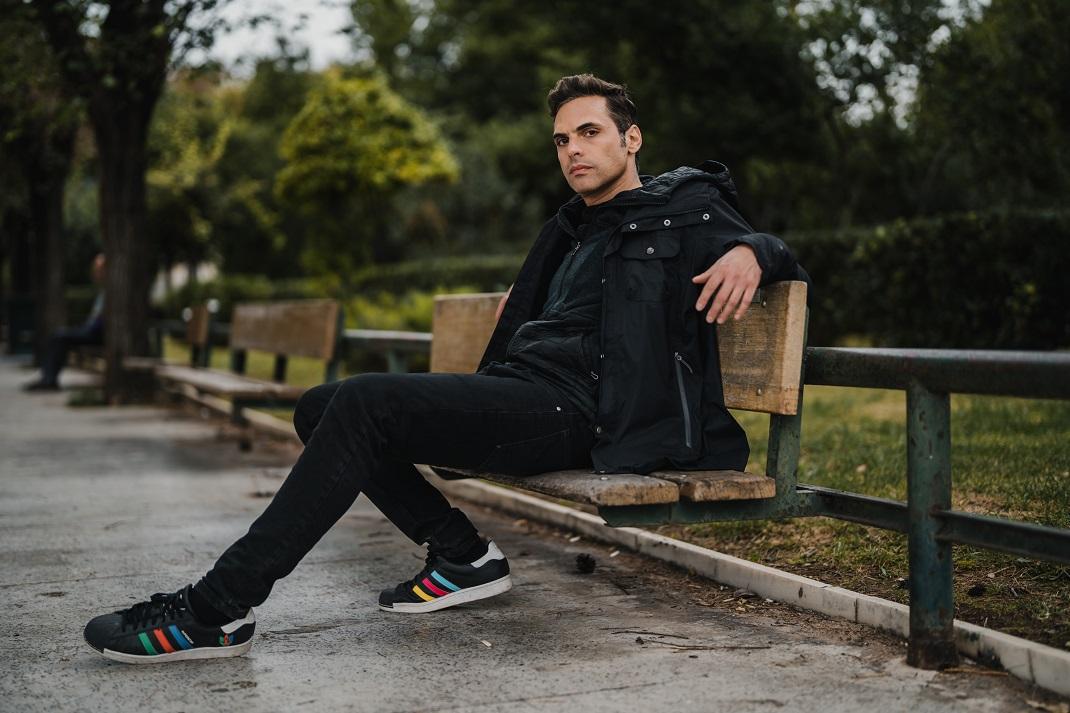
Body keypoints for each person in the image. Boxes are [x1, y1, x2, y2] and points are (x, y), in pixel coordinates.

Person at [82, 74, 809, 663]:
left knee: (364, 403)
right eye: (562, 139)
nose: (573, 151)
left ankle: (216, 608)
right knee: (321, 404)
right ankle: (464, 557)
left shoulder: (682, 209)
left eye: (589, 132)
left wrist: (754, 253)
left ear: (631, 137)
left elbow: (784, 256)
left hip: (587, 412)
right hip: (524, 392)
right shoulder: (569, 229)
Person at [24, 253, 106, 392]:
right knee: (58, 336)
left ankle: (49, 380)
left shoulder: (111, 292)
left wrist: (87, 327)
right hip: (92, 330)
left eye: (99, 270)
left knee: (59, 337)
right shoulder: (103, 291)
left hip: (96, 332)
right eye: (95, 269)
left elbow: (99, 321)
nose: (95, 273)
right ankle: (48, 378)